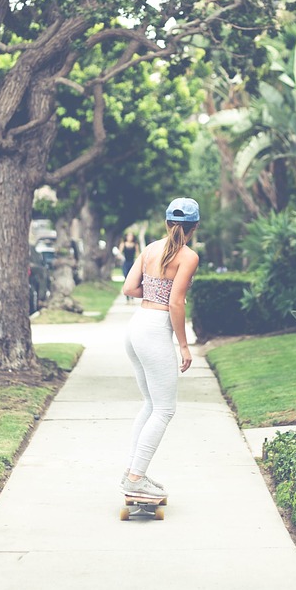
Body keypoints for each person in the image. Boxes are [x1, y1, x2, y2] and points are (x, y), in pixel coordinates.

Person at [118, 197, 201, 499]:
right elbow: (176, 303)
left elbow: (128, 289)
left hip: (137, 326)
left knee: (151, 405)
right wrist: (184, 346)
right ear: (194, 227)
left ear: (167, 224)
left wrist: (154, 291)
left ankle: (132, 471)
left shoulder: (150, 249)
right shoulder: (188, 256)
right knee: (164, 409)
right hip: (154, 332)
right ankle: (136, 477)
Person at [119, 232, 139, 302]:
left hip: (132, 263)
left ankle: (132, 297)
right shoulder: (123, 244)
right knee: (126, 278)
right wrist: (121, 257)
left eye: (131, 236)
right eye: (129, 236)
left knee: (133, 280)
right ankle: (127, 298)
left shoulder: (135, 244)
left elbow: (137, 254)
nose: (130, 237)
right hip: (125, 263)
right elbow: (119, 253)